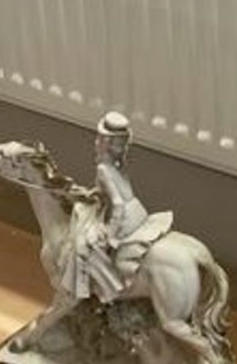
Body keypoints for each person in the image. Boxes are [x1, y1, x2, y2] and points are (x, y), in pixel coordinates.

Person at [58, 112, 171, 303]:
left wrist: (109, 234)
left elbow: (118, 204)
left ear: (105, 143)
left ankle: (105, 287)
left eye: (99, 138)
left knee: (83, 245)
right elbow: (112, 191)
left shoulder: (103, 169)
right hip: (137, 211)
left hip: (123, 218)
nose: (96, 142)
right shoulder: (118, 164)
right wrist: (89, 193)